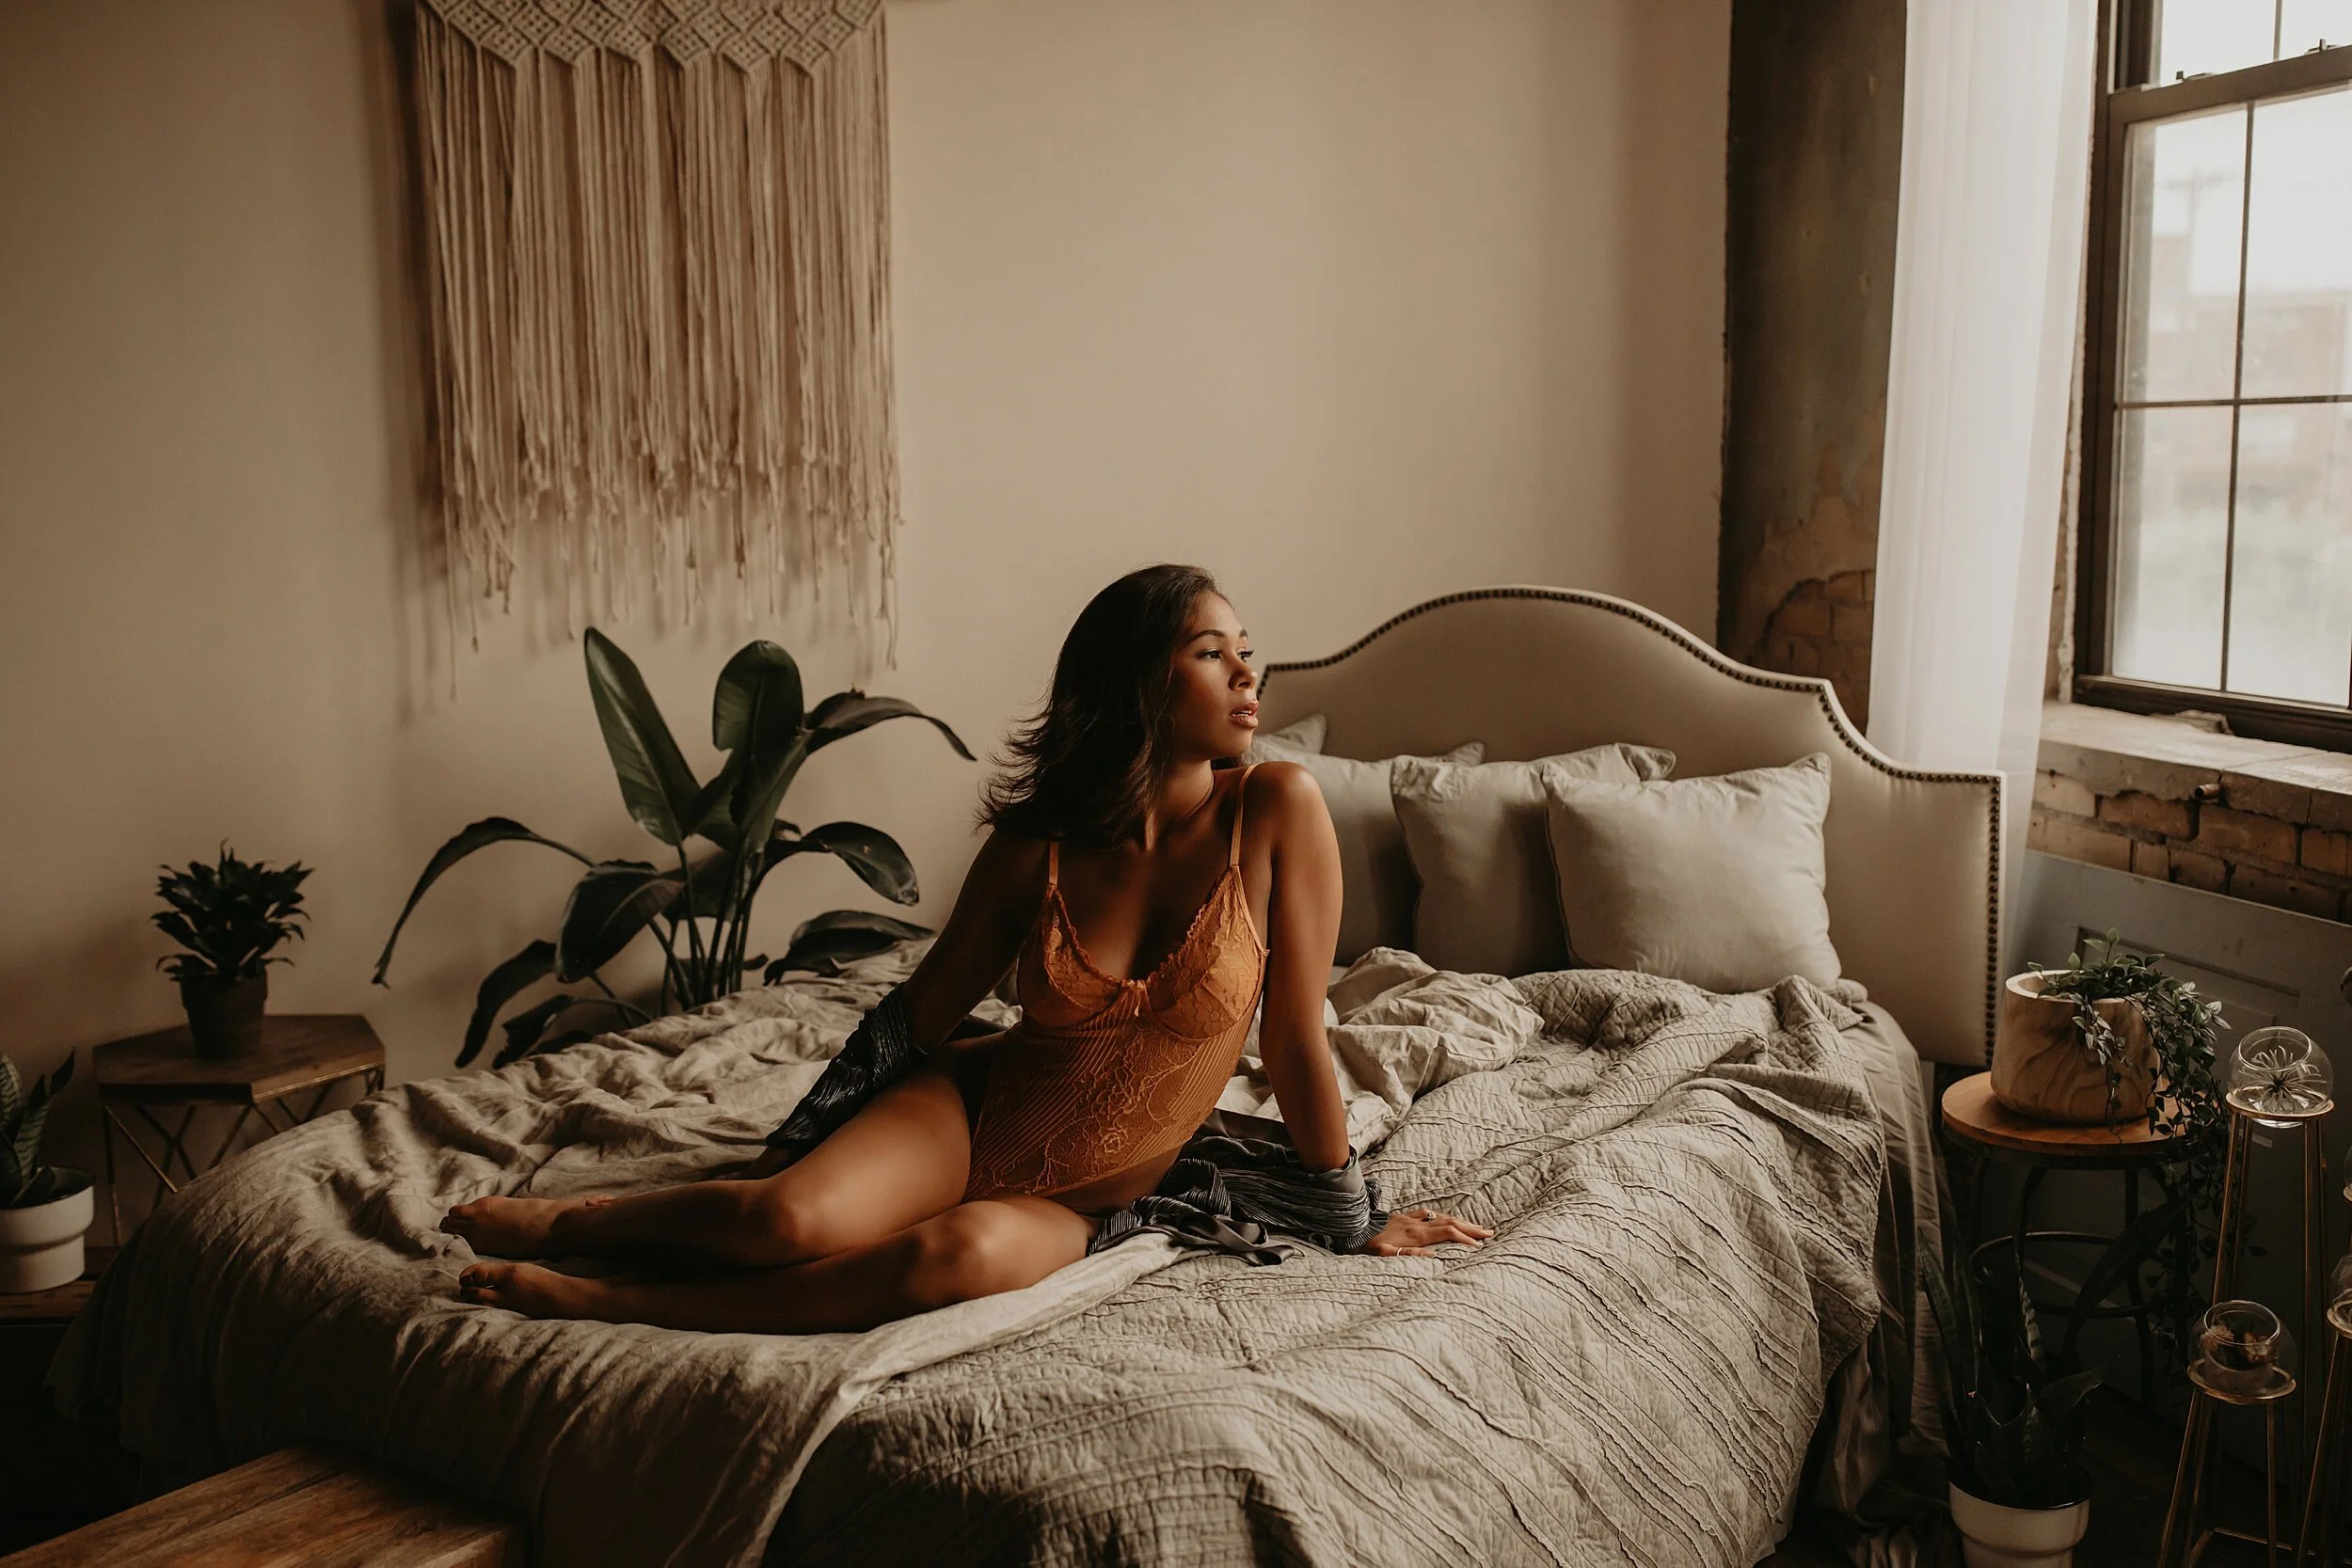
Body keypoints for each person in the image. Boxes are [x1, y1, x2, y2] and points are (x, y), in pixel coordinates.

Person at [443, 563, 1491, 1333]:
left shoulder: (1275, 807)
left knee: (951, 1254)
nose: (1247, 671)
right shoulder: (1035, 844)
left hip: (1093, 1191)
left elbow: (1300, 1033)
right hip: (973, 1104)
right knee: (786, 1218)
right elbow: (924, 1009)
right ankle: (578, 1222)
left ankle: (607, 1304)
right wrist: (792, 1144)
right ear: (1138, 680)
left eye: (1245, 649)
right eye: (1211, 651)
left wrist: (1351, 1216)